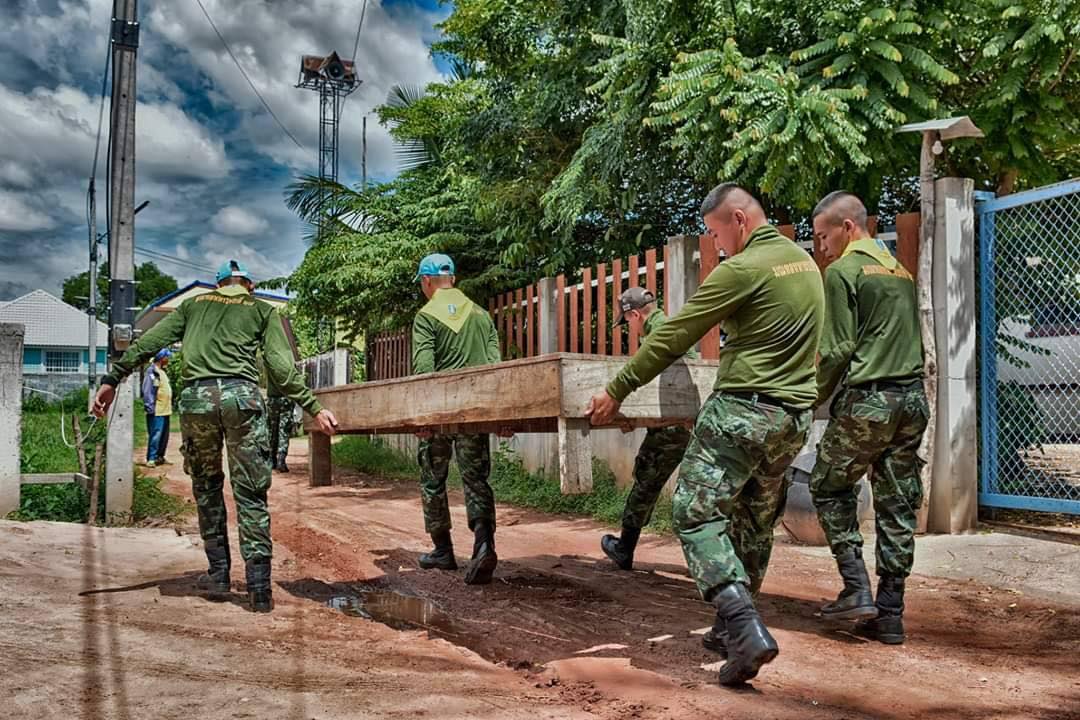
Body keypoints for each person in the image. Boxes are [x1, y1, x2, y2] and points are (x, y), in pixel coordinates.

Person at [587, 184, 824, 686]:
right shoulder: (805, 266)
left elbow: (674, 335)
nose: (717, 246)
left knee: (694, 513)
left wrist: (617, 389)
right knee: (754, 523)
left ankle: (743, 626)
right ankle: (728, 631)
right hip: (792, 418)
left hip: (743, 410)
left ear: (739, 219)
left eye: (717, 234)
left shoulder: (743, 269)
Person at [93, 260, 338, 612]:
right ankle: (258, 591)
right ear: (248, 285)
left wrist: (112, 380)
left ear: (218, 285)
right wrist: (313, 406)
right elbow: (281, 368)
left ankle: (219, 574)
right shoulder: (261, 309)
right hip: (243, 398)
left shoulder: (193, 305)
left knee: (207, 486)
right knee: (251, 492)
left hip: (197, 400)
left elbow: (149, 343)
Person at [809, 191, 928, 645]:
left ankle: (856, 588)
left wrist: (809, 397)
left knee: (827, 484)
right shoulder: (899, 270)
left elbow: (838, 348)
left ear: (848, 227)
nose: (821, 247)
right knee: (897, 502)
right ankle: (891, 614)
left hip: (871, 402)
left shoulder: (843, 271)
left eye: (823, 236)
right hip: (913, 400)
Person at [411, 253, 503, 585]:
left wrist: (423, 417)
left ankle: (442, 550)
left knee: (433, 479)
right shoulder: (481, 315)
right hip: (475, 412)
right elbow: (496, 369)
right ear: (454, 279)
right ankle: (483, 545)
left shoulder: (426, 316)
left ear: (426, 281)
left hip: (441, 414)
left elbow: (424, 372)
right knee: (476, 478)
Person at [600, 287, 694, 570]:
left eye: (627, 320)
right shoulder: (674, 328)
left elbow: (648, 382)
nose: (629, 326)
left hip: (671, 424)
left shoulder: (656, 336)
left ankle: (624, 548)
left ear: (635, 314)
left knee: (647, 481)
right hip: (692, 420)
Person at [141, 348, 173, 467]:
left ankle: (160, 456)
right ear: (161, 358)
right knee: (156, 435)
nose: (168, 359)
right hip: (157, 410)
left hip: (166, 409)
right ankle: (151, 458)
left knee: (164, 435)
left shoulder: (162, 371)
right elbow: (148, 391)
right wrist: (150, 407)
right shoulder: (151, 372)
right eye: (167, 357)